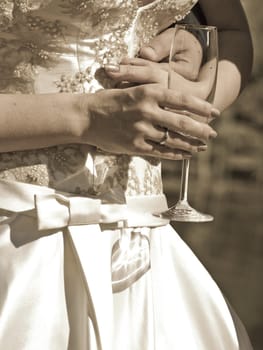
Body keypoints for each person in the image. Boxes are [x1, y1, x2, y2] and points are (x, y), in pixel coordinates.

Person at [0, 1, 253, 349]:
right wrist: (85, 117)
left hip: (145, 252)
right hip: (15, 241)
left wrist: (196, 96)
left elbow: (231, 32)